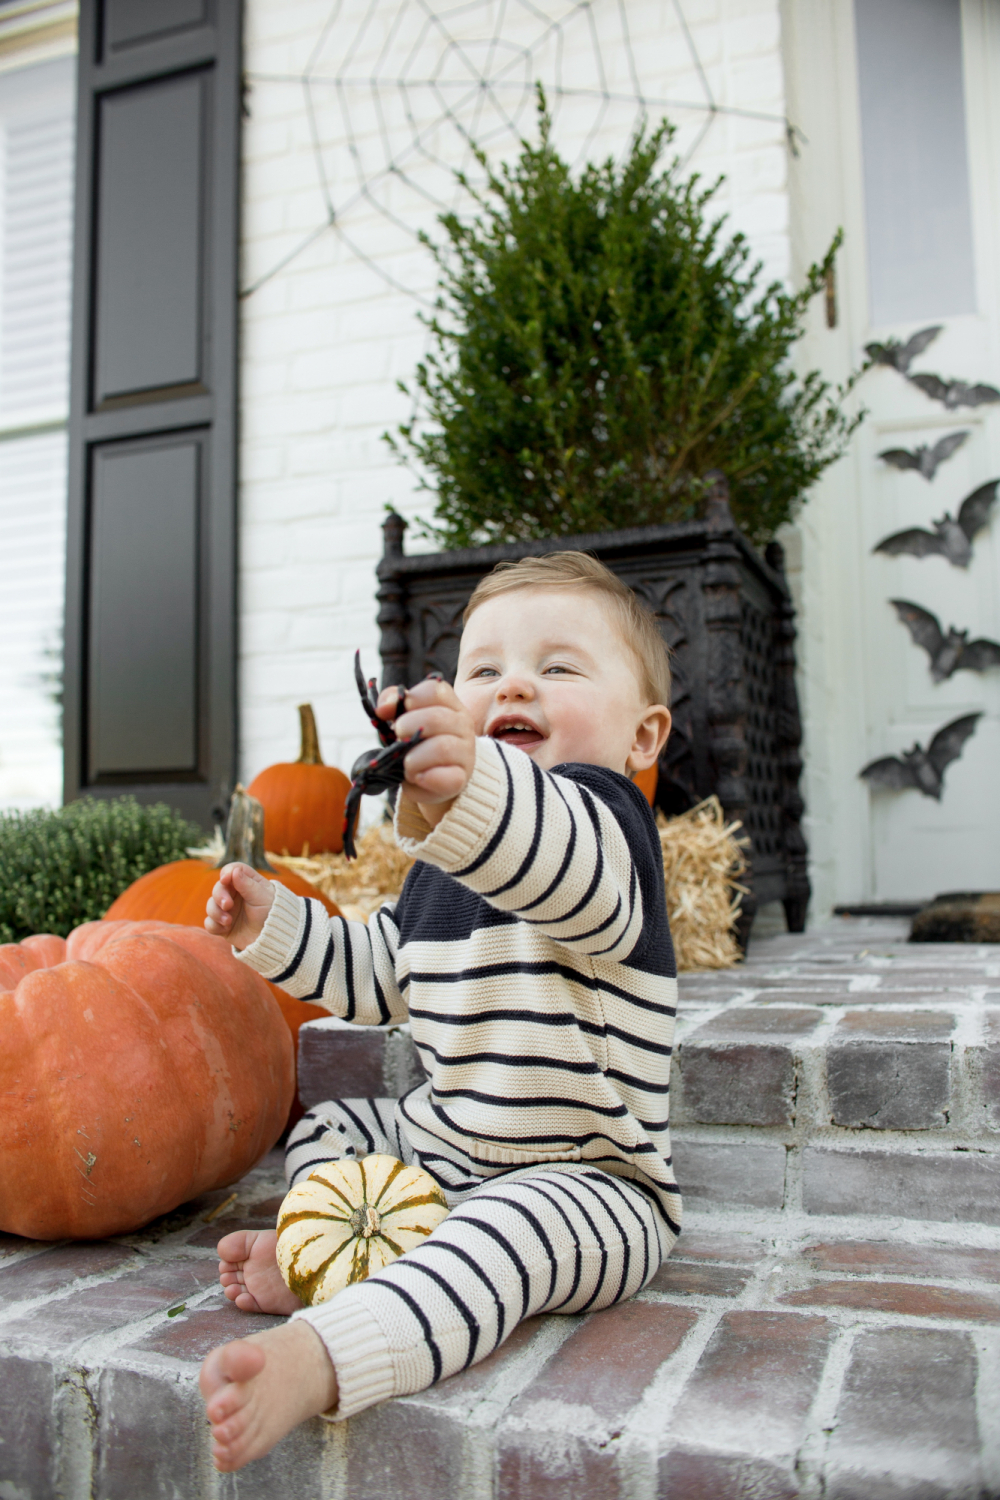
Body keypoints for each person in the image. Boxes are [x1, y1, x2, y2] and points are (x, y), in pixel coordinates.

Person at [198, 551, 680, 1471]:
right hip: (448, 1152)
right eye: (486, 670)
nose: (516, 687)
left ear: (643, 737)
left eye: (560, 667)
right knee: (336, 1125)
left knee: (507, 1235)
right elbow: (380, 973)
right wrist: (277, 924)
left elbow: (557, 859)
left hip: (590, 1183)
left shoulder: (610, 831)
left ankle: (327, 1351)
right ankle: (330, 1248)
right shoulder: (440, 868)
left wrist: (478, 788)